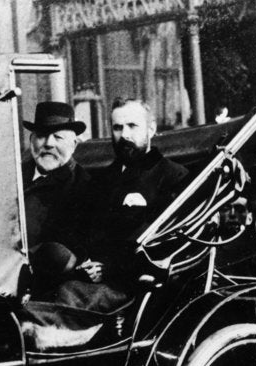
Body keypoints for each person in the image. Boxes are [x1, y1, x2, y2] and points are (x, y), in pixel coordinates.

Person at [50, 97, 188, 311]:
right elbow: (81, 231)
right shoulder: (100, 180)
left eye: (132, 126)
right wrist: (83, 261)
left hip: (135, 288)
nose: (124, 135)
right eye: (117, 127)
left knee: (67, 296)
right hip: (91, 281)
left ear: (151, 129)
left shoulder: (173, 177)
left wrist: (109, 269)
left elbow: (166, 244)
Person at [20, 101, 92, 296]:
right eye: (42, 135)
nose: (49, 143)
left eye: (58, 137)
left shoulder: (86, 188)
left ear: (74, 144)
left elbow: (65, 256)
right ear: (31, 140)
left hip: (42, 290)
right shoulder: (12, 176)